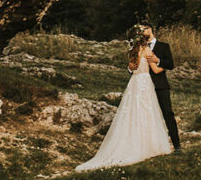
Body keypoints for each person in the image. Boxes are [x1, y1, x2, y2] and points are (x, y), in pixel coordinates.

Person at [74, 24, 174, 171]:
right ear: (142, 38)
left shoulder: (132, 52)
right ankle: (147, 144)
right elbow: (156, 70)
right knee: (147, 112)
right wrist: (162, 64)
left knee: (133, 112)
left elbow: (133, 68)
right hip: (145, 83)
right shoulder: (147, 50)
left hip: (134, 83)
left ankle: (132, 141)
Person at [139, 22, 181, 151]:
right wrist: (130, 69)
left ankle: (177, 145)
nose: (141, 33)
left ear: (150, 29)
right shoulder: (138, 47)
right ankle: (149, 146)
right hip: (143, 86)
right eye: (139, 31)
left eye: (143, 30)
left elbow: (170, 64)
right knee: (146, 116)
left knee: (168, 114)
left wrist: (158, 61)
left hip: (160, 86)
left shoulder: (163, 46)